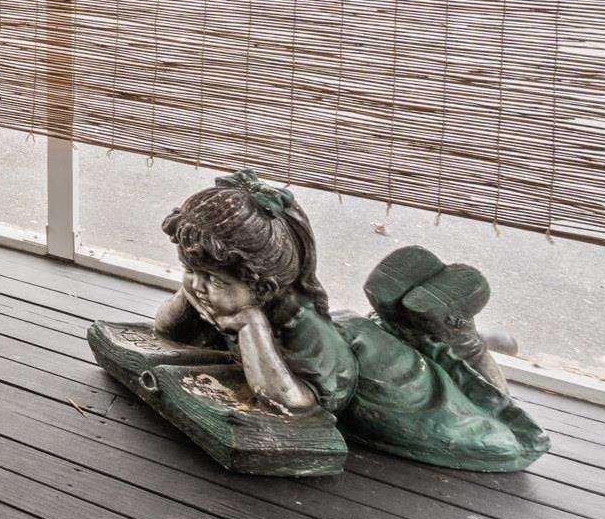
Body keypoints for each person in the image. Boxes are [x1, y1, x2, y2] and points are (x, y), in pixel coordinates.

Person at [154, 170, 547, 473]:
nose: (198, 285)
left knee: (489, 421)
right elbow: (168, 332)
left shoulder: (299, 325)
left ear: (264, 287)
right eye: (190, 269)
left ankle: (458, 336)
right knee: (411, 346)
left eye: (215, 279)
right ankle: (418, 323)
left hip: (400, 389)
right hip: (359, 341)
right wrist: (192, 291)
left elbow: (299, 406)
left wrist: (250, 327)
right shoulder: (229, 296)